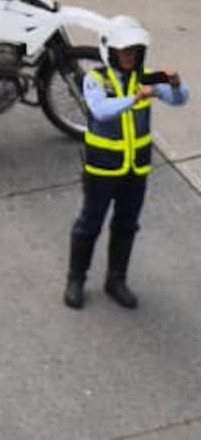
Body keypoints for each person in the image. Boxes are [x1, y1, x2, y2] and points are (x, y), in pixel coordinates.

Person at [64, 17, 188, 311]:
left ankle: (116, 279)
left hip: (136, 168)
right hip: (102, 169)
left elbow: (180, 99)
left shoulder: (146, 76)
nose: (130, 56)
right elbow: (100, 110)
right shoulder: (96, 80)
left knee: (127, 225)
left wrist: (175, 82)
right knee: (89, 224)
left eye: (134, 50)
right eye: (125, 51)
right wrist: (134, 98)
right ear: (111, 51)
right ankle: (76, 279)